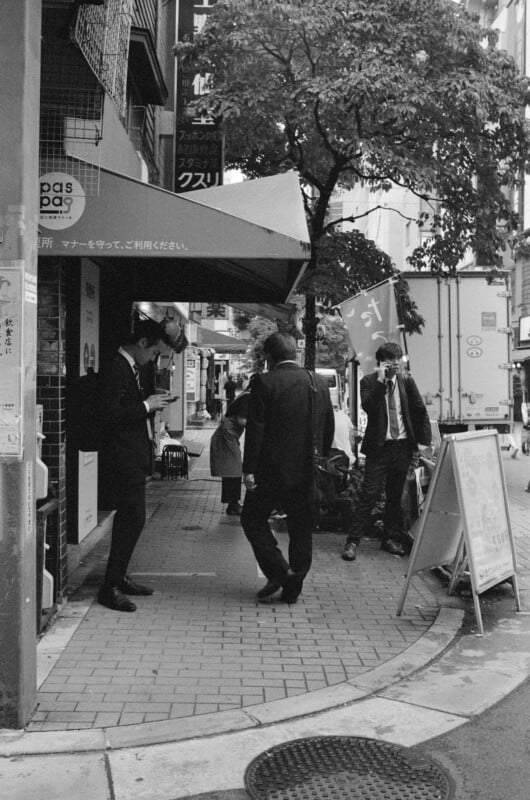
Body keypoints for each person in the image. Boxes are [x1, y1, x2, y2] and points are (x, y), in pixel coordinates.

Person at [241, 332, 335, 604]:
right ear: (295, 353)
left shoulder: (265, 382)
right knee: (301, 526)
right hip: (308, 472)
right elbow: (326, 426)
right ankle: (295, 583)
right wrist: (321, 461)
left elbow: (256, 431)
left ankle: (280, 571)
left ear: (269, 357)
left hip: (271, 471)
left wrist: (248, 471)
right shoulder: (317, 382)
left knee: (252, 519)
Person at [97, 319, 173, 612]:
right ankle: (111, 586)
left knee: (133, 519)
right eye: (154, 352)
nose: (153, 359)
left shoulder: (131, 367)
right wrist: (146, 406)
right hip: (122, 457)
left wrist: (151, 401)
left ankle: (118, 577)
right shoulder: (116, 366)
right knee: (133, 518)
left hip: (133, 454)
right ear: (142, 343)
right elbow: (110, 414)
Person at [341, 341, 431, 562]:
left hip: (401, 447)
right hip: (378, 450)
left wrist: (423, 441)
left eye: (397, 362)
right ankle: (352, 541)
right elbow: (369, 408)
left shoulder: (406, 382)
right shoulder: (369, 382)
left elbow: (419, 409)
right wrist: (381, 381)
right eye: (391, 363)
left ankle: (390, 538)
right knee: (369, 494)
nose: (395, 367)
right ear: (381, 364)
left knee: (394, 496)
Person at [209, 391, 250, 515]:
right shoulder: (248, 398)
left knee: (232, 468)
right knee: (233, 468)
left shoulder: (246, 396)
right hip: (228, 433)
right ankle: (233, 504)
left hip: (229, 433)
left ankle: (233, 503)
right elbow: (241, 420)